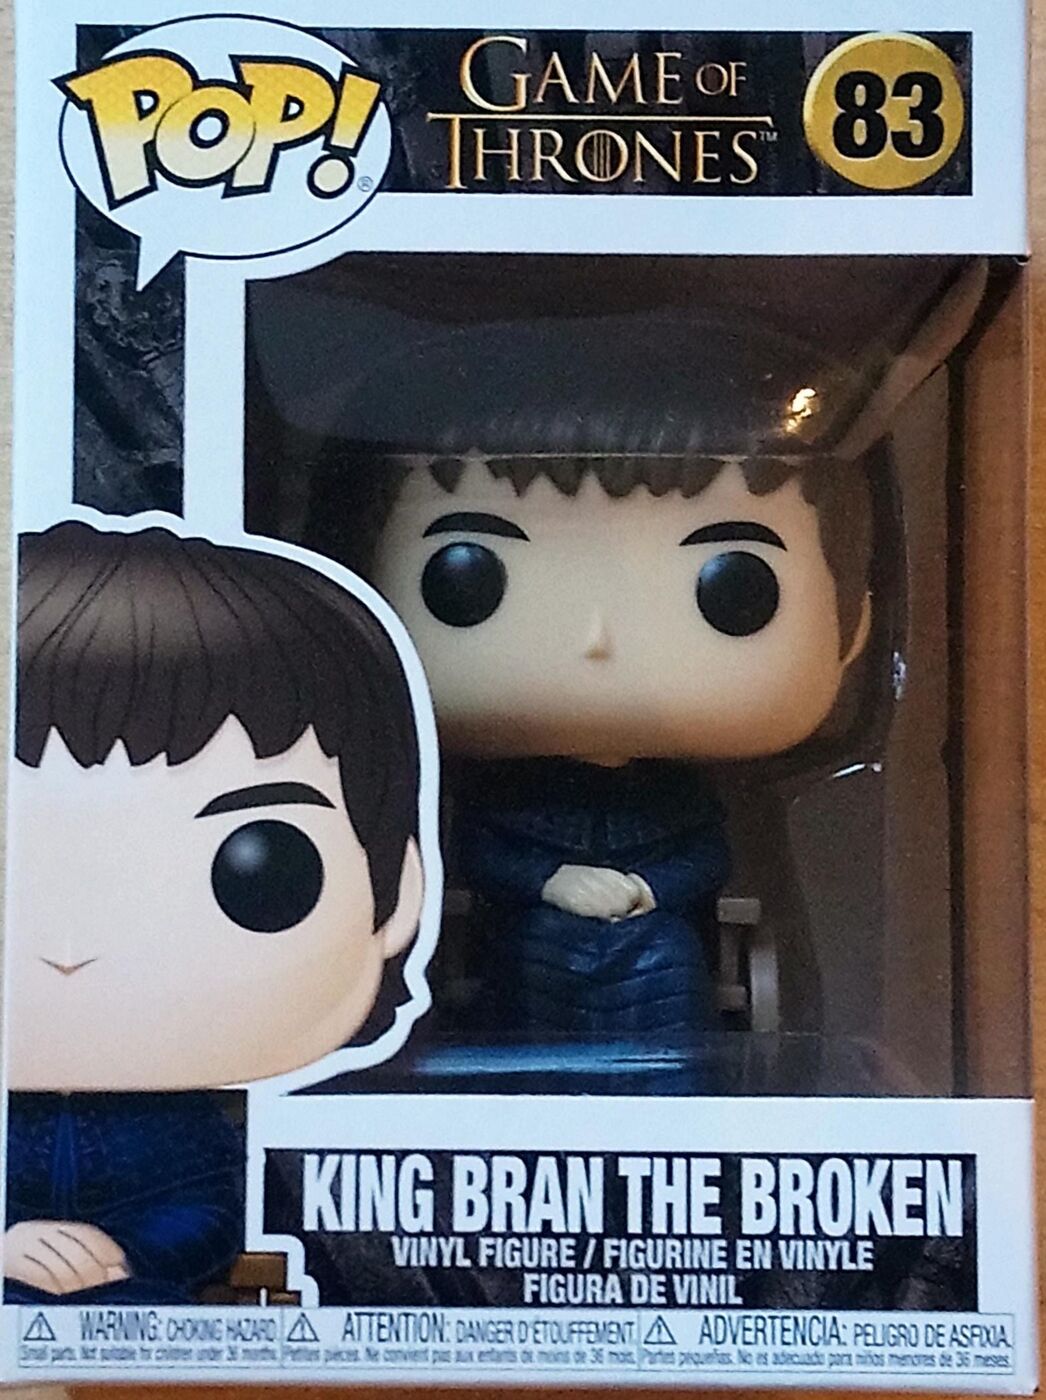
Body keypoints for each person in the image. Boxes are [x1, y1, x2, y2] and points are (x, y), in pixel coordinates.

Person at [4, 520, 426, 1303]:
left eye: (257, 871)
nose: (69, 949)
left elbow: (211, 1213)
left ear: (395, 896)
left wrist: (127, 1255)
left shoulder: (179, 1123)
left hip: (139, 1310)